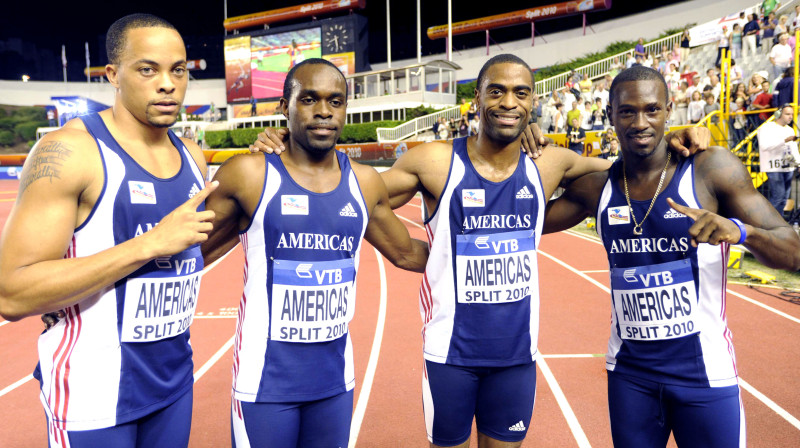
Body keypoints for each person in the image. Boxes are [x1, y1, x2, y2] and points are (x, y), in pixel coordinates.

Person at [251, 55, 709, 448]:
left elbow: (632, 167)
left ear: (533, 102)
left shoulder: (550, 162)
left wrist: (677, 138)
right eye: (497, 91)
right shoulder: (433, 161)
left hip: (516, 357)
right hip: (450, 355)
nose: (509, 102)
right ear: (477, 99)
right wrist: (286, 151)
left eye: (521, 93)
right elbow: (348, 194)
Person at [542, 64, 800, 448]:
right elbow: (521, 219)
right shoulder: (599, 188)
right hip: (630, 376)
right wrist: (529, 142)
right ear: (610, 114)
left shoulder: (710, 170)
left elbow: (793, 250)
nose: (639, 122)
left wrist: (742, 232)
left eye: (651, 109)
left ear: (669, 110)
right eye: (627, 111)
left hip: (704, 376)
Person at [0, 14, 215, 447]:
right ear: (113, 75)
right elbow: (11, 292)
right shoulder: (69, 151)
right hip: (92, 393)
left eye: (179, 69)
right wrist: (149, 244)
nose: (168, 84)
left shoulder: (194, 156)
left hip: (173, 383)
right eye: (148, 69)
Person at [202, 58, 428, 448]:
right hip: (264, 384)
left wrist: (503, 239)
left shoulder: (364, 181)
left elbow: (407, 253)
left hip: (334, 382)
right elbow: (186, 253)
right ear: (283, 107)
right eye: (309, 99)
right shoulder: (250, 174)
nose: (324, 111)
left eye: (335, 101)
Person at [757, 104, 800, 215]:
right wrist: (784, 141)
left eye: (791, 114)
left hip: (788, 167)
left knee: (784, 199)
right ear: (778, 114)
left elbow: (794, 148)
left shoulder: (790, 130)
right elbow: (764, 146)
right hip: (773, 167)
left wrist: (799, 164)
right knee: (778, 197)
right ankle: (768, 221)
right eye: (787, 114)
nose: (790, 117)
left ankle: (779, 224)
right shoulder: (766, 128)